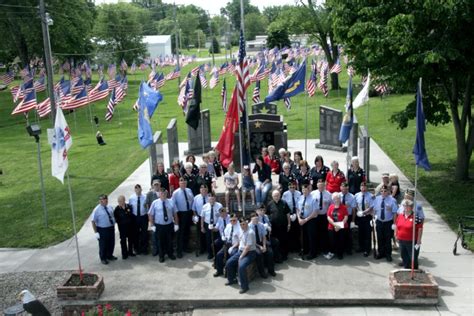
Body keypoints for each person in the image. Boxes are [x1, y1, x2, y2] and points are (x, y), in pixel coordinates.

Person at [225, 218, 257, 294]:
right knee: (229, 262)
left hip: (250, 253)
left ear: (247, 223)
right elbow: (239, 241)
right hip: (241, 251)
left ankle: (245, 286)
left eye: (244, 224)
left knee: (241, 266)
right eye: (241, 224)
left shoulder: (250, 232)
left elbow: (247, 247)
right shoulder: (241, 230)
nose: (242, 226)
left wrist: (241, 257)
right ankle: (231, 279)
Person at [148, 188, 178, 262]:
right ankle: (161, 256)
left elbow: (175, 213)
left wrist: (176, 224)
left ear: (166, 193)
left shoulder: (171, 202)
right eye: (161, 193)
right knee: (160, 241)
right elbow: (150, 214)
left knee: (170, 240)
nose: (163, 195)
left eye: (164, 193)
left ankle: (170, 254)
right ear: (159, 194)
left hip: (169, 225)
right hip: (159, 225)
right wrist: (152, 225)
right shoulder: (155, 203)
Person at [372, 185, 398, 262]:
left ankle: (388, 254)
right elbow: (374, 210)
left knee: (387, 239)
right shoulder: (377, 199)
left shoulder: (392, 200)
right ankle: (381, 253)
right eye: (382, 191)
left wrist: (394, 223)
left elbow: (394, 213)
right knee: (380, 238)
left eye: (385, 191)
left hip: (388, 222)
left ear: (388, 192)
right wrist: (373, 219)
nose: (383, 192)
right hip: (379, 221)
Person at [396, 199, 424, 269]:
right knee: (403, 255)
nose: (406, 207)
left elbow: (420, 229)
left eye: (408, 206)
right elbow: (397, 226)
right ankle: (406, 268)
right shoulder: (400, 216)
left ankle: (414, 270)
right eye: (404, 206)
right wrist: (396, 235)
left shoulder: (416, 218)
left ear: (412, 207)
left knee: (413, 257)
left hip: (412, 241)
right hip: (401, 240)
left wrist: (418, 240)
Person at [172, 178, 195, 258]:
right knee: (180, 233)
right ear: (179, 183)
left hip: (189, 212)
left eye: (185, 183)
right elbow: (173, 205)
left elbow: (192, 201)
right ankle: (179, 251)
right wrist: (175, 217)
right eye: (182, 183)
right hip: (181, 214)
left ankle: (185, 247)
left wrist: (193, 213)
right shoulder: (175, 193)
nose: (183, 184)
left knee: (187, 231)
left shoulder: (189, 190)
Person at [91, 194, 116, 265]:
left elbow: (112, 216)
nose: (104, 201)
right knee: (103, 244)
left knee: (111, 243)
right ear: (100, 201)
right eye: (101, 200)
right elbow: (93, 221)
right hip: (102, 229)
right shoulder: (97, 210)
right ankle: (103, 258)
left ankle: (110, 255)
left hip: (111, 228)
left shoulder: (109, 207)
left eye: (105, 199)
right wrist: (96, 232)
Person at [266, 190, 291, 261]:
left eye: (277, 195)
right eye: (275, 196)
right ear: (272, 196)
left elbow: (288, 214)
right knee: (276, 242)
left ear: (280, 195)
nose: (276, 197)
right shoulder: (269, 204)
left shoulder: (284, 203)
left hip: (283, 226)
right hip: (274, 227)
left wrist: (289, 224)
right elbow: (267, 215)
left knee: (284, 241)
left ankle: (284, 255)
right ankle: (277, 256)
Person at [249, 212, 276, 277]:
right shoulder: (249, 226)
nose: (256, 221)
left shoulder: (261, 225)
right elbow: (251, 241)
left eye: (257, 219)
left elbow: (264, 236)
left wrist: (264, 246)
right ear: (251, 219)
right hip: (253, 244)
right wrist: (260, 247)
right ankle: (262, 272)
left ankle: (271, 270)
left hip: (261, 241)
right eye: (254, 219)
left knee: (270, 252)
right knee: (259, 254)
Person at [311, 179, 332, 256]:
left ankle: (324, 249)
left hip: (324, 216)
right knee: (315, 233)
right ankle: (316, 249)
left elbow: (331, 206)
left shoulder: (329, 194)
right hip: (315, 216)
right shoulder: (313, 193)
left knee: (324, 233)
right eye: (319, 186)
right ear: (317, 185)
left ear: (325, 186)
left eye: (322, 186)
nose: (321, 187)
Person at [298, 184, 318, 260]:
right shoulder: (300, 198)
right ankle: (305, 250)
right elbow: (298, 209)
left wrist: (305, 220)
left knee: (311, 237)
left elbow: (315, 212)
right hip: (302, 220)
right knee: (304, 237)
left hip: (310, 220)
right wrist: (299, 218)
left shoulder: (313, 198)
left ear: (309, 190)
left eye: (306, 190)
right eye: (303, 190)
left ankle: (313, 253)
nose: (304, 191)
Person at [326, 193, 348, 260]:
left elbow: (346, 217)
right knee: (332, 241)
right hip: (332, 227)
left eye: (338, 198)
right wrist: (335, 225)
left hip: (341, 227)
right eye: (335, 198)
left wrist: (339, 226)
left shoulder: (344, 207)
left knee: (340, 241)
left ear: (340, 199)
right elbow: (328, 217)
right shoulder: (331, 207)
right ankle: (331, 252)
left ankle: (340, 253)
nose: (336, 200)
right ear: (333, 199)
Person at [354, 182, 374, 257]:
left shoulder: (371, 196)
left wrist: (364, 212)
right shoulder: (356, 195)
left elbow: (372, 206)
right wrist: (358, 211)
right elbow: (355, 204)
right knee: (360, 232)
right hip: (359, 216)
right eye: (362, 186)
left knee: (367, 233)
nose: (363, 188)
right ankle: (361, 247)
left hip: (367, 216)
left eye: (365, 186)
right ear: (360, 187)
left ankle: (367, 249)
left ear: (367, 188)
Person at [201, 193, 223, 259]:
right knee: (208, 239)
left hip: (217, 224)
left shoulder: (219, 205)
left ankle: (217, 253)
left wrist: (219, 226)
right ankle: (210, 253)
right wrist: (202, 227)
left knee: (217, 239)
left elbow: (222, 216)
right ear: (208, 199)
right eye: (210, 199)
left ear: (215, 198)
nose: (212, 200)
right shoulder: (205, 206)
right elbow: (202, 217)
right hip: (207, 224)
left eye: (213, 199)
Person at [282, 181, 302, 253]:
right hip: (289, 214)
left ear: (295, 187)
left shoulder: (299, 193)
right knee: (290, 232)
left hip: (297, 214)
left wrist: (297, 214)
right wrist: (289, 215)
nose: (292, 189)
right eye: (290, 187)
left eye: (293, 187)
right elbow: (283, 206)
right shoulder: (285, 194)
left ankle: (297, 247)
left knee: (297, 232)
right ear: (288, 187)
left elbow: (300, 204)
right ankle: (291, 248)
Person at [129, 184, 148, 255]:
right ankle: (136, 249)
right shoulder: (131, 198)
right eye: (136, 189)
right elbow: (130, 208)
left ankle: (144, 249)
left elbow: (147, 207)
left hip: (143, 217)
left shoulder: (145, 197)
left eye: (139, 189)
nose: (137, 190)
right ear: (134, 190)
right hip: (135, 217)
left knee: (144, 233)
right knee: (135, 233)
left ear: (141, 189)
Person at [114, 195, 134, 260]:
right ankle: (124, 254)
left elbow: (132, 216)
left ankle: (130, 252)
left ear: (124, 200)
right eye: (118, 201)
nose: (119, 202)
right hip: (122, 228)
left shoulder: (129, 207)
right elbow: (116, 219)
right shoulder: (116, 209)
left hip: (130, 227)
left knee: (130, 240)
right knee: (123, 241)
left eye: (121, 201)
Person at [339, 182, 356, 255]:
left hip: (348, 217)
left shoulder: (352, 196)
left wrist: (353, 220)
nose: (344, 190)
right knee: (340, 234)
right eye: (343, 188)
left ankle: (348, 249)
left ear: (348, 188)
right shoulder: (338, 195)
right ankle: (341, 249)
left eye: (346, 189)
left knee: (348, 234)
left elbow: (353, 210)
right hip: (339, 217)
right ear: (340, 188)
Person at [193, 185, 210, 255]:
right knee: (199, 234)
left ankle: (208, 249)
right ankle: (200, 249)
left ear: (207, 190)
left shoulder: (209, 197)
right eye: (202, 189)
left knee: (208, 234)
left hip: (208, 218)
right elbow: (193, 209)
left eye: (205, 189)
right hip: (199, 217)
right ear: (200, 190)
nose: (204, 191)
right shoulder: (196, 197)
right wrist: (195, 216)